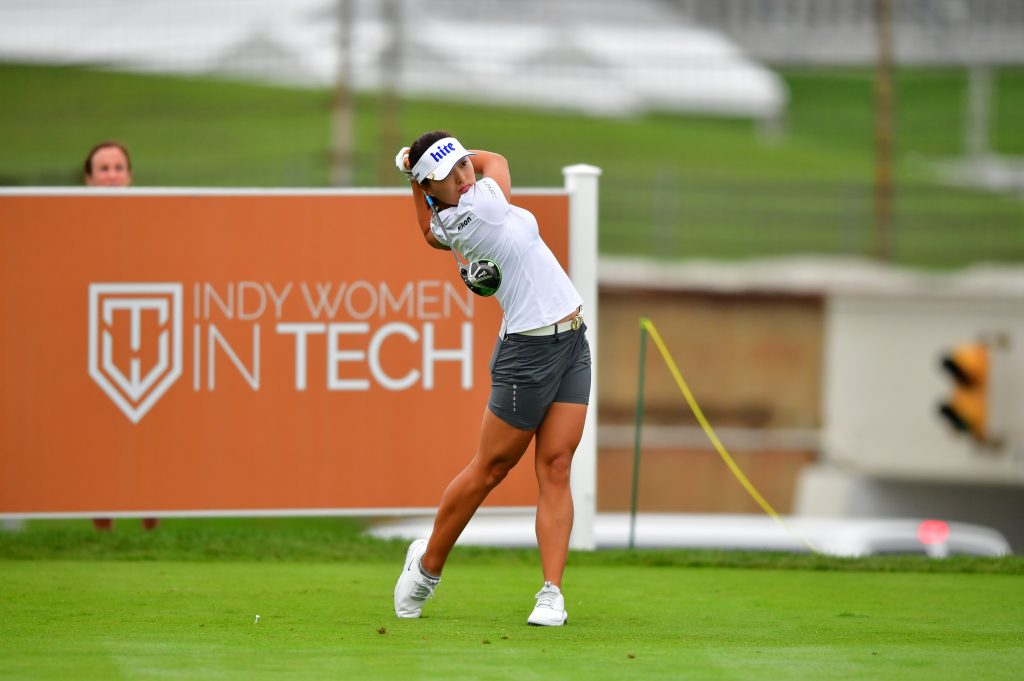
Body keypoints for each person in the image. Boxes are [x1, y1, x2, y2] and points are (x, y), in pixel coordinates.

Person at [392, 131, 591, 626]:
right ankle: (427, 565)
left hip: (571, 341)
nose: (463, 178)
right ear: (433, 190)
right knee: (490, 470)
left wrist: (418, 177)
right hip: (527, 354)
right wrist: (436, 166)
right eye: (448, 176)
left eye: (462, 167)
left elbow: (426, 233)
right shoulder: (480, 209)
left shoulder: (447, 213)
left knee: (558, 464)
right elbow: (495, 159)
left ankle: (551, 593)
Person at [82, 140, 156, 532]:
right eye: (104, 169)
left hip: (143, 336)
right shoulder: (71, 224)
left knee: (148, 434)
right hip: (89, 338)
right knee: (97, 437)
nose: (112, 176)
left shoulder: (150, 222)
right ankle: (101, 530)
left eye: (118, 168)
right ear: (89, 178)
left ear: (130, 175)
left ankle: (151, 528)